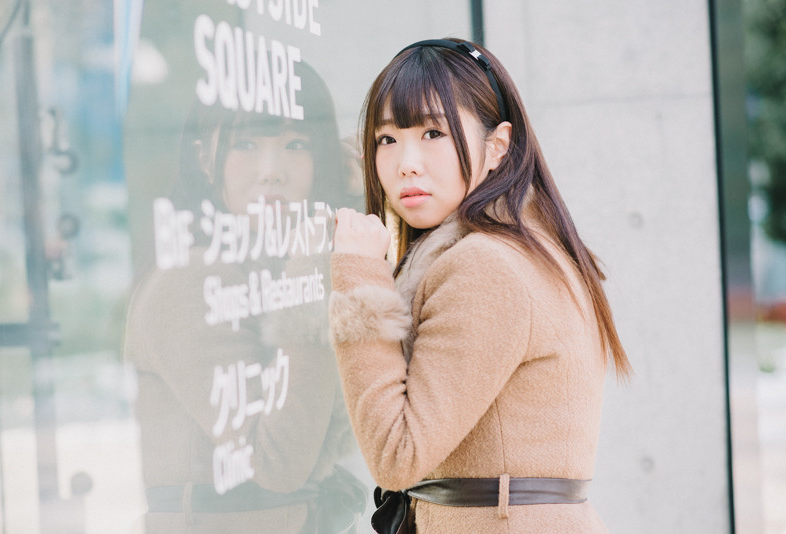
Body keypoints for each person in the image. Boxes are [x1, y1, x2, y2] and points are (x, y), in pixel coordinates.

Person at [327, 38, 632, 534]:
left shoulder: (485, 266)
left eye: (433, 133)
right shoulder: (523, 248)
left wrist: (360, 278)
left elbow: (396, 456)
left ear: (497, 146)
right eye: (387, 139)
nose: (406, 162)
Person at [124, 59, 366, 533]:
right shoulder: (191, 277)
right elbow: (278, 463)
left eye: (296, 145)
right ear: (204, 159)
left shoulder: (263, 262)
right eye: (245, 144)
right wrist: (311, 267)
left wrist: (349, 201)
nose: (271, 172)